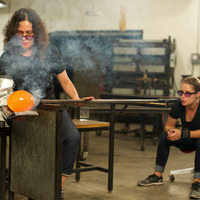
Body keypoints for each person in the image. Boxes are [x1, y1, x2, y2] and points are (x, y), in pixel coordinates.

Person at [0, 8, 94, 199]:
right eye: (20, 33)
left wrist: (76, 100)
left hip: (49, 105)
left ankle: (56, 188)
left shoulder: (49, 51)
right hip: (20, 110)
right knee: (32, 148)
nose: (25, 38)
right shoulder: (7, 57)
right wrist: (10, 111)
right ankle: (28, 187)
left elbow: (65, 81)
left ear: (37, 33)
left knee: (72, 137)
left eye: (29, 33)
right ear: (13, 33)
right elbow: (3, 89)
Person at [137, 76, 200, 199]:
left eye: (187, 94)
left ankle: (197, 182)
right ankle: (157, 175)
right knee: (164, 136)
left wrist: (182, 134)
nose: (183, 96)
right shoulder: (179, 105)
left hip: (197, 139)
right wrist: (171, 132)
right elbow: (169, 125)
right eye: (181, 92)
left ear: (198, 94)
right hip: (187, 139)